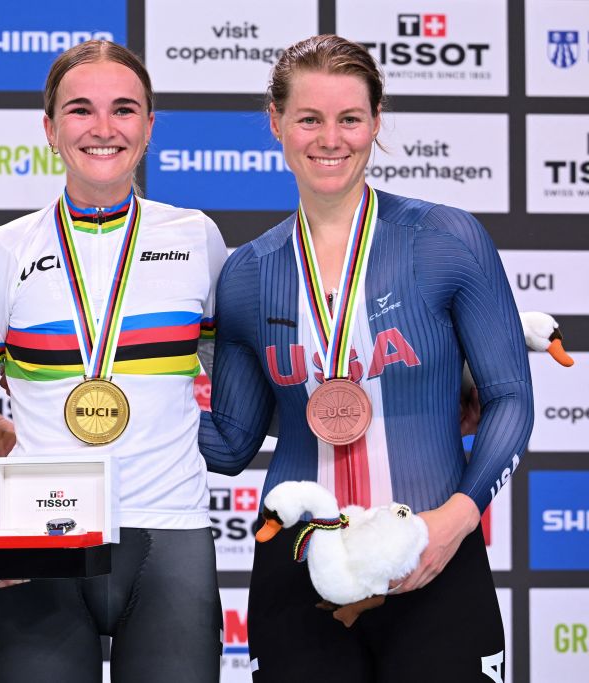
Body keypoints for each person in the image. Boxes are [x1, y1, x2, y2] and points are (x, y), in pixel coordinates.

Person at [199, 35, 533, 682]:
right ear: (277, 123)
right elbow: (232, 445)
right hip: (300, 568)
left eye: (350, 119)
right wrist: (129, 389)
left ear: (376, 123)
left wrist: (456, 518)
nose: (331, 138)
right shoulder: (245, 275)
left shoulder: (445, 240)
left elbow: (510, 397)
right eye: (309, 119)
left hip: (434, 550)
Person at [0, 40, 227, 682]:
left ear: (149, 126)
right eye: (80, 111)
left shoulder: (196, 238)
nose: (103, 129)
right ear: (49, 129)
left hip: (168, 533)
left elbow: (231, 384)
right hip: (40, 537)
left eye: (124, 110)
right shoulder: (0, 250)